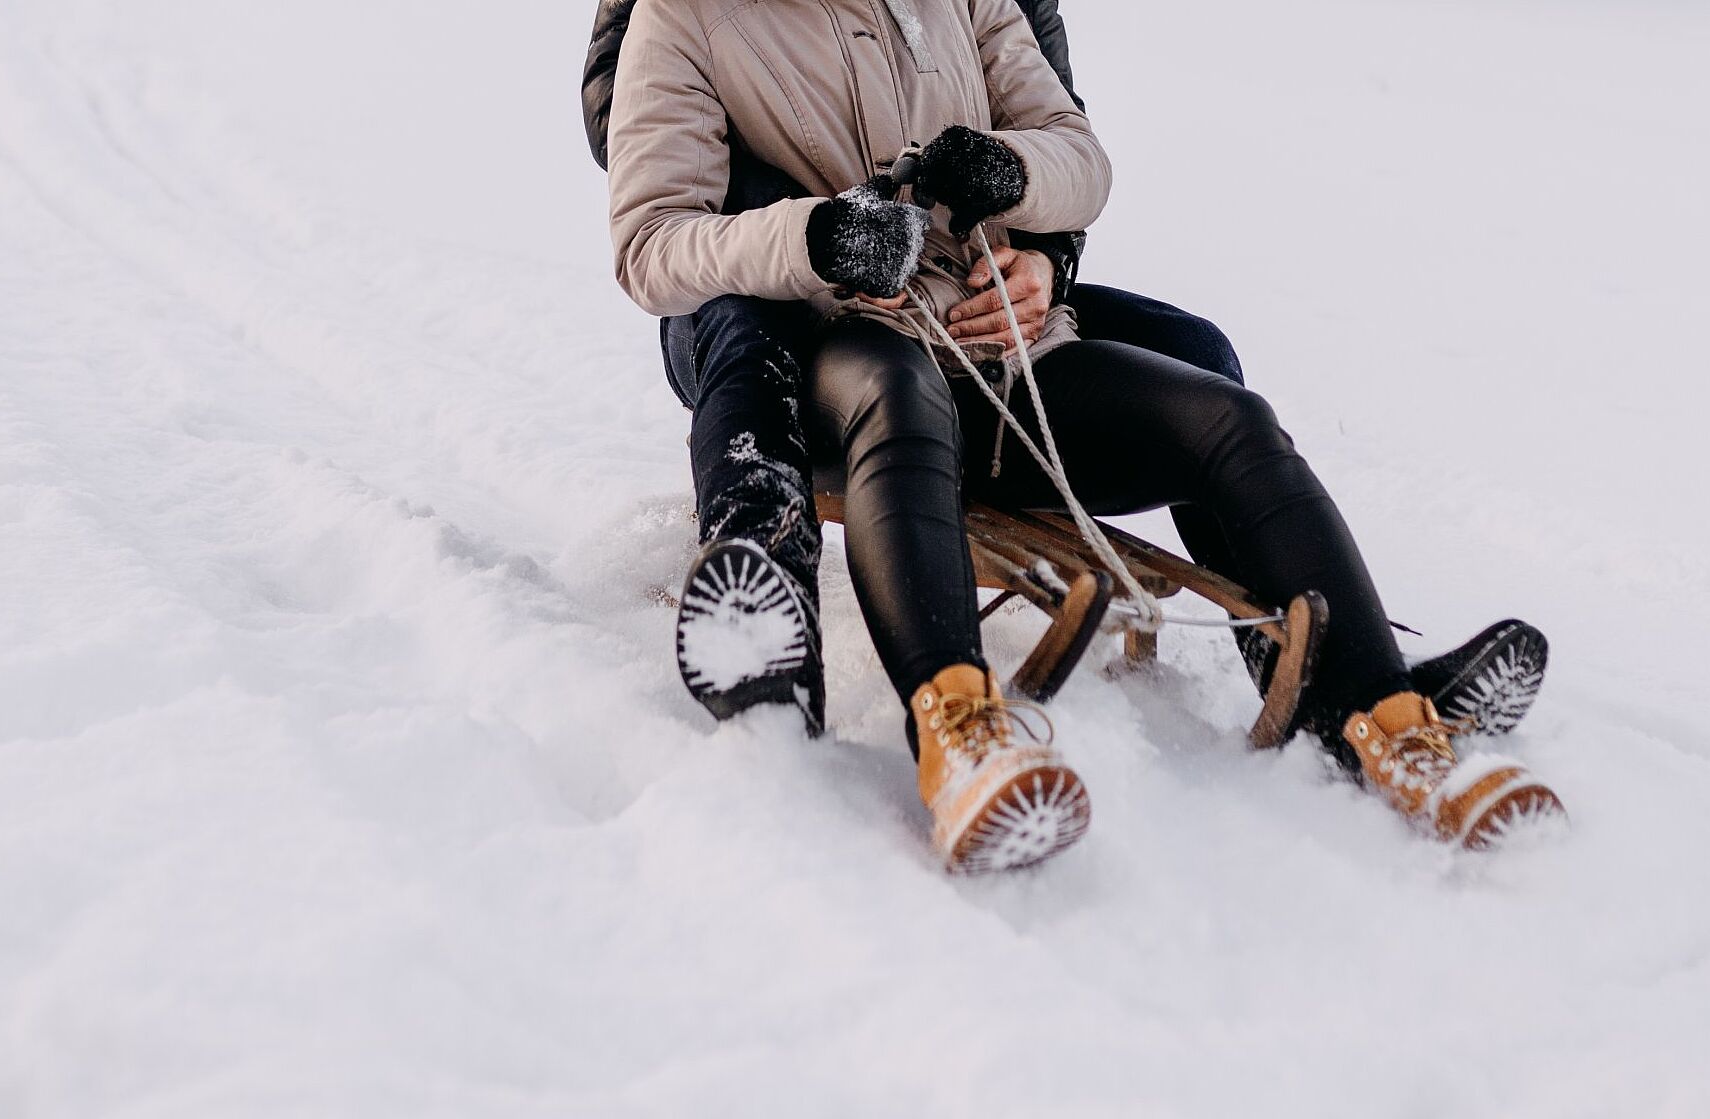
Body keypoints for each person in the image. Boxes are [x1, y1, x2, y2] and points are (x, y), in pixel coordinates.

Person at [605, 0, 1566, 872]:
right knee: (900, 395)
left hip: (1001, 352)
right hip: (832, 352)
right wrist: (817, 238)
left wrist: (1016, 185)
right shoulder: (684, 14)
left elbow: (1079, 150)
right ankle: (962, 734)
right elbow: (652, 242)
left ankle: (1383, 717)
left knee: (1227, 417)